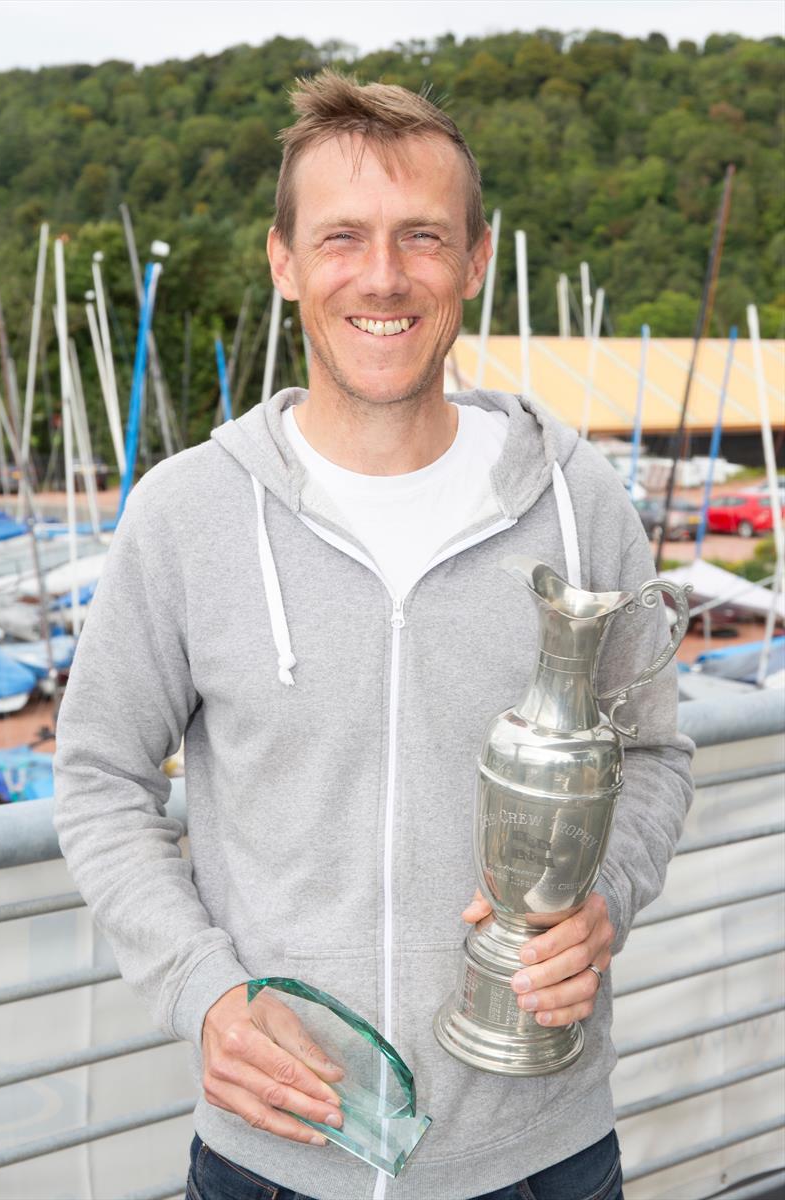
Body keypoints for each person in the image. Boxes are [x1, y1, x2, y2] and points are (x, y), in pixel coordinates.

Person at [54, 71, 693, 1200]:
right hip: (276, 1156)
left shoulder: (577, 498)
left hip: (543, 1154)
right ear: (283, 260)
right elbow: (99, 779)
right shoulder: (187, 515)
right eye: (341, 236)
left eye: (423, 238)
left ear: (476, 259)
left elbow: (649, 753)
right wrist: (203, 989)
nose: (383, 276)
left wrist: (608, 903)